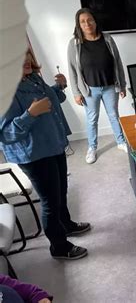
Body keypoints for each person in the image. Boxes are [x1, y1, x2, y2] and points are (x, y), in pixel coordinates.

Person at [0, 51, 90, 260]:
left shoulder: (32, 79)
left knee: (61, 191)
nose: (26, 60)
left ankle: (66, 224)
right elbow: (5, 135)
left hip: (53, 144)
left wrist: (60, 87)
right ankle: (59, 247)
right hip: (34, 155)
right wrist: (30, 114)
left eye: (27, 55)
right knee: (50, 201)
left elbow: (52, 100)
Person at [68, 8, 127, 164]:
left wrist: (122, 85)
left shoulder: (107, 39)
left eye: (90, 20)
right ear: (78, 25)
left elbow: (118, 62)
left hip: (110, 87)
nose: (87, 24)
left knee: (114, 115)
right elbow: (72, 69)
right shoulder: (74, 44)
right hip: (89, 90)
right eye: (83, 21)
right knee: (92, 119)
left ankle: (120, 142)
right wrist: (76, 92)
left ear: (95, 21)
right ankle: (92, 148)